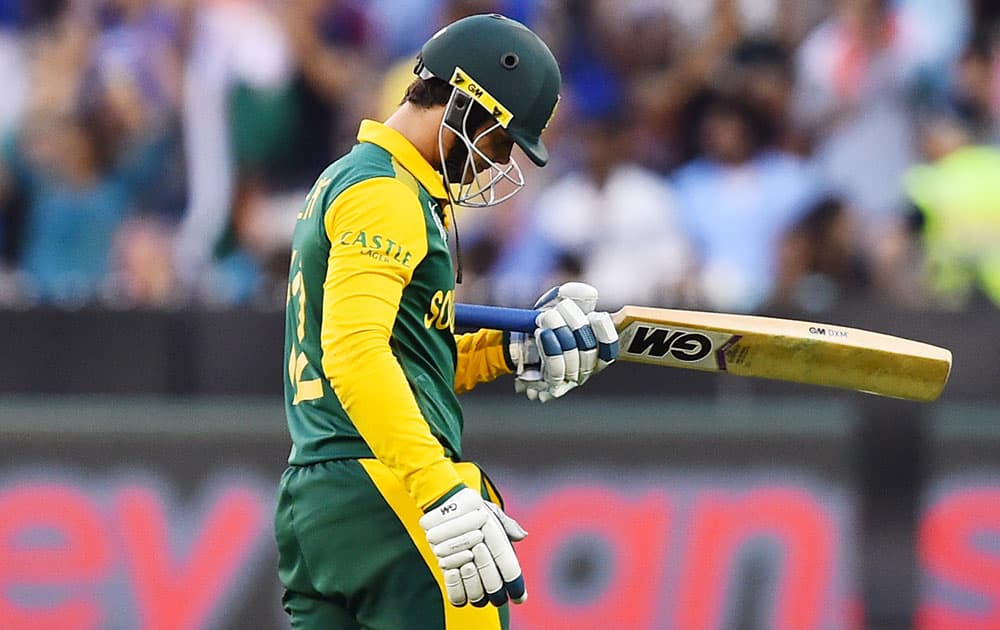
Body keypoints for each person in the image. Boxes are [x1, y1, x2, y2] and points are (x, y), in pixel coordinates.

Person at [273, 13, 619, 630]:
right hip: (389, 486)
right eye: (503, 139)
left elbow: (408, 360)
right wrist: (439, 490)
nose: (498, 163)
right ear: (467, 103)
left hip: (317, 503)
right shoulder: (384, 194)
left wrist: (510, 350)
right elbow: (354, 356)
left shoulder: (349, 180)